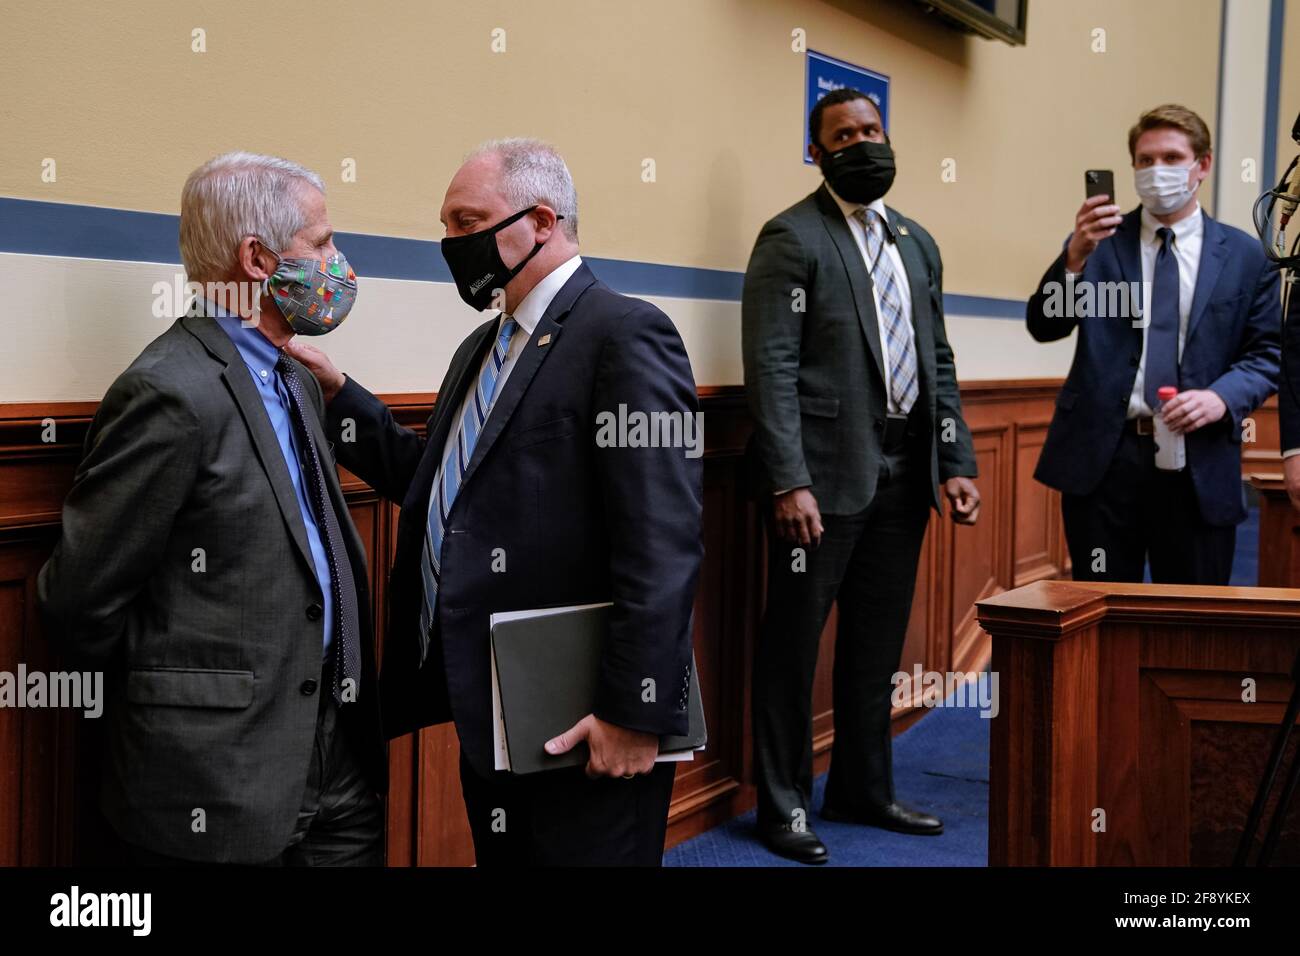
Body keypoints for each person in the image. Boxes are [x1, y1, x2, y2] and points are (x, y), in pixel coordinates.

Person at [287, 138, 703, 866]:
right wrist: (339, 398)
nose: (452, 242)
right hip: (496, 713)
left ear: (541, 221)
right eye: (446, 225)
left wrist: (636, 712)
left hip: (590, 716)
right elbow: (443, 484)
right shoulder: (484, 345)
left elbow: (662, 540)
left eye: (467, 220)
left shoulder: (626, 332)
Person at [37, 152, 385, 865]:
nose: (338, 263)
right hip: (218, 779)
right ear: (258, 260)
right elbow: (79, 602)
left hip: (336, 756)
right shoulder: (168, 392)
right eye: (321, 243)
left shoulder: (294, 378)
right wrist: (181, 707)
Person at [742, 88, 980, 865]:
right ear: (818, 151)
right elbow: (771, 367)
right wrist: (788, 480)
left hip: (907, 470)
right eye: (844, 134)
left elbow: (937, 361)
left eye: (872, 129)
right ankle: (782, 803)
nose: (862, 142)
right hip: (821, 478)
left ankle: (863, 788)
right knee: (793, 645)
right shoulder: (792, 237)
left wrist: (956, 460)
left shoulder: (916, 243)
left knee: (877, 644)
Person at [1028, 104, 1281, 583]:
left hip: (1199, 459)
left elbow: (1267, 355)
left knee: (1191, 616)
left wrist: (1219, 398)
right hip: (1105, 459)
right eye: (1145, 161)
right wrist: (1074, 257)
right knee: (1099, 607)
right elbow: (1045, 326)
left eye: (1171, 157)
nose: (1156, 171)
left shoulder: (1246, 256)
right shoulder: (1098, 243)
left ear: (1201, 166)